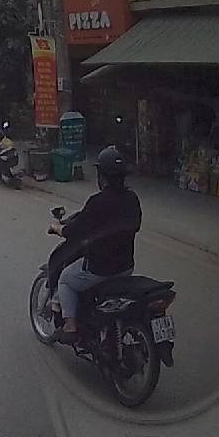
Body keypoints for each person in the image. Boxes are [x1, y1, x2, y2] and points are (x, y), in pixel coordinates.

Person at [47, 146, 142, 344]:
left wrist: (57, 228)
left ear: (102, 176)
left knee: (65, 279)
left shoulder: (98, 201)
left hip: (99, 269)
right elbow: (134, 225)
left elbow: (75, 231)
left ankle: (70, 326)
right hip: (126, 267)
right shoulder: (132, 199)